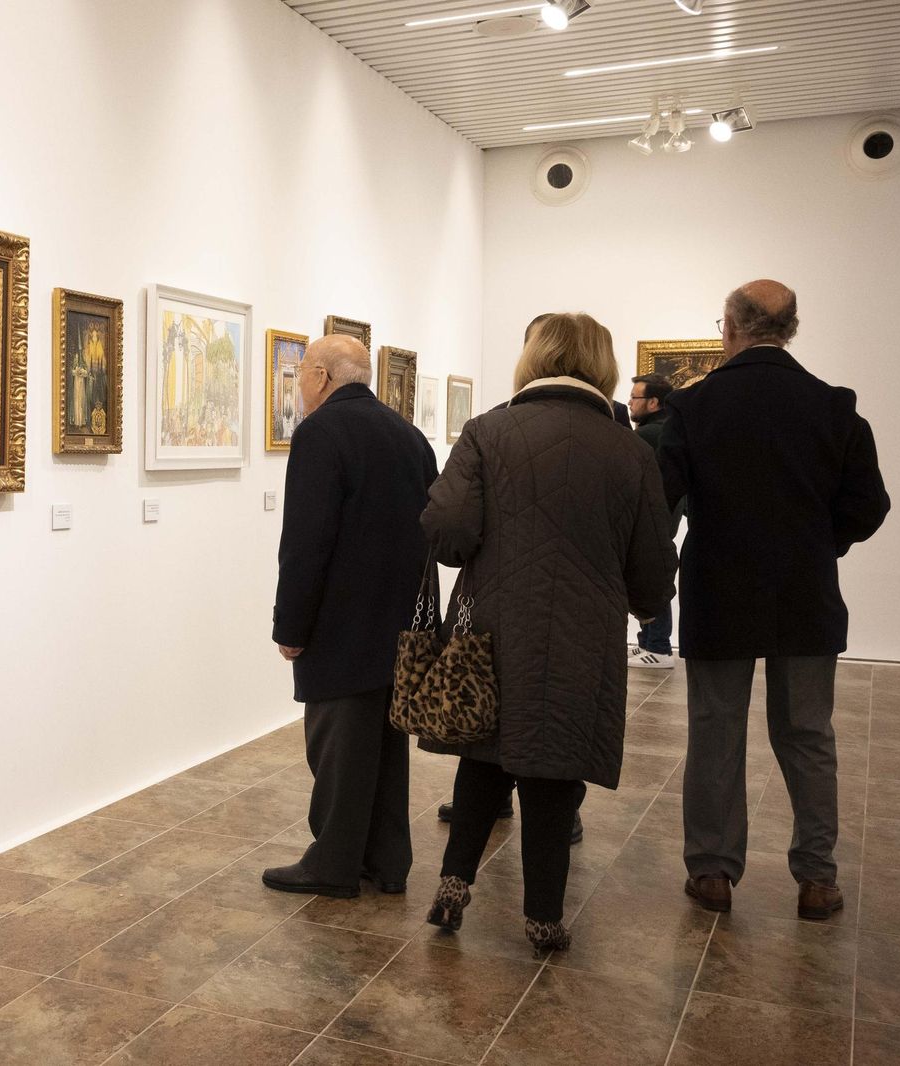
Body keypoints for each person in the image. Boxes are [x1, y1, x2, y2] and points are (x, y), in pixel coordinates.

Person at [420, 313, 675, 952]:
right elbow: (651, 561)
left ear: (533, 358)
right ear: (603, 364)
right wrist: (647, 606)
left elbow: (447, 529)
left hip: (492, 629)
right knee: (555, 771)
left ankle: (453, 885)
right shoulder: (632, 450)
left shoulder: (487, 430)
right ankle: (543, 918)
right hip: (583, 637)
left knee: (483, 760)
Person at [660, 280, 890, 920]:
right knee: (808, 734)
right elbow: (869, 507)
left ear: (731, 328)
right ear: (790, 329)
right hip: (805, 595)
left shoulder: (694, 406)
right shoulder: (835, 407)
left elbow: (663, 497)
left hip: (718, 590)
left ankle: (711, 872)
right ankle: (817, 879)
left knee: (715, 732)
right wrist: (822, 543)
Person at [265, 335, 438, 899]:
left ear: (319, 375)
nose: (299, 387)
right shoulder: (409, 437)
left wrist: (290, 627)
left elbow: (306, 544)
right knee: (386, 748)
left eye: (300, 376)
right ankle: (388, 860)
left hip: (340, 625)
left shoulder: (319, 434)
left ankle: (334, 863)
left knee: (337, 747)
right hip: (398, 621)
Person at [628, 373, 679, 668]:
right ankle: (649, 641)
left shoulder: (648, 435)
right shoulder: (662, 430)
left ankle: (658, 646)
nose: (630, 403)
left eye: (635, 398)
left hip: (652, 519)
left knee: (651, 574)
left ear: (653, 402)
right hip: (661, 517)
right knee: (649, 573)